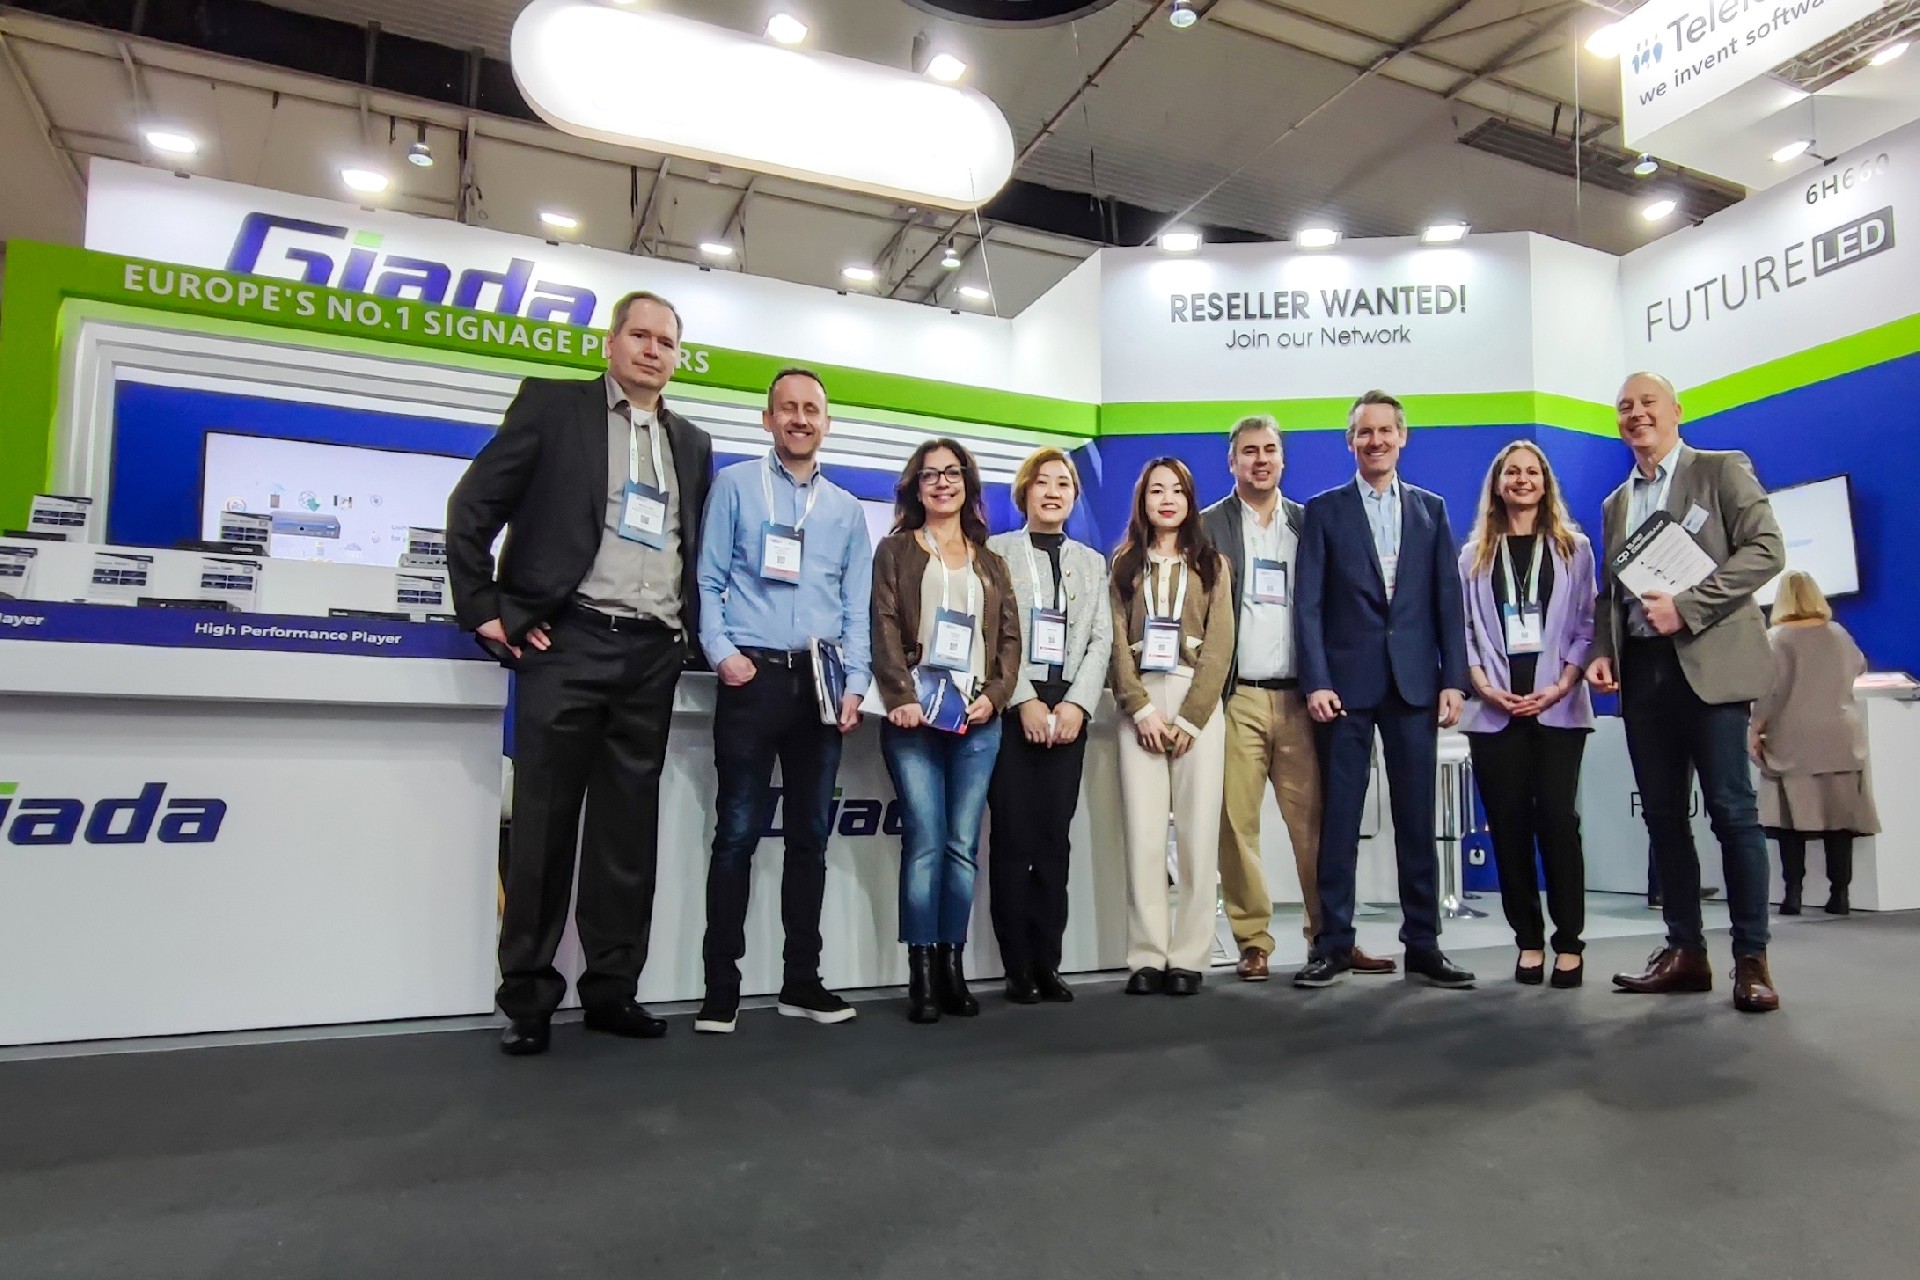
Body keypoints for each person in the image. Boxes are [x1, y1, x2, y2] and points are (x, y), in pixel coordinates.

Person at [447, 290, 713, 1056]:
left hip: (652, 653)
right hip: (566, 642)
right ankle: (528, 999)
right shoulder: (553, 408)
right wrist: (485, 608)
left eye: (666, 341)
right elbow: (472, 507)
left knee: (626, 836)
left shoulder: (691, 443)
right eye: (640, 335)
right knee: (543, 826)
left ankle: (611, 990)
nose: (653, 350)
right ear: (610, 343)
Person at [1587, 372, 1786, 1014]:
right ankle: (1685, 953)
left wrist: (1689, 606)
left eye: (1648, 403)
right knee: (1663, 817)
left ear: (1676, 410)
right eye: (1625, 407)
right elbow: (1611, 592)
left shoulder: (1720, 470)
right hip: (1644, 674)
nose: (1636, 414)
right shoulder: (1617, 503)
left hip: (1711, 668)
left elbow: (1767, 550)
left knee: (1732, 812)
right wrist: (1601, 650)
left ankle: (1751, 960)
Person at [691, 368, 872, 1035]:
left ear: (826, 422)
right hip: (752, 678)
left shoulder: (845, 509)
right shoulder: (736, 485)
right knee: (736, 835)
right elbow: (708, 578)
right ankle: (721, 988)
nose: (800, 418)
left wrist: (857, 682)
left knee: (809, 840)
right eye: (787, 408)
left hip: (820, 686)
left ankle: (803, 981)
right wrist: (722, 653)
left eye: (811, 409)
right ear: (767, 419)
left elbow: (855, 605)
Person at [1201, 416, 1395, 982]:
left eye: (1270, 450)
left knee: (1317, 827)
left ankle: (1328, 936)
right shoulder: (1209, 526)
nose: (1260, 460)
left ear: (1283, 459)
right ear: (1232, 461)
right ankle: (1253, 941)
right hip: (1239, 696)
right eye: (1249, 451)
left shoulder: (1310, 523)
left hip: (1302, 699)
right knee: (1236, 826)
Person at [1293, 390, 1475, 991]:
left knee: (1416, 821)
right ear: (1351, 442)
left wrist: (1454, 680)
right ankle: (1333, 945)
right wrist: (1317, 680)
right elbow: (1308, 606)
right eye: (1364, 432)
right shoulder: (1324, 510)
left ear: (1403, 438)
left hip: (1415, 685)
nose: (1375, 441)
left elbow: (1448, 601)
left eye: (1385, 431)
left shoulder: (1431, 510)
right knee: (1340, 822)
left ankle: (1423, 944)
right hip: (1344, 690)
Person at [871, 439, 1022, 1024]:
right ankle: (922, 973)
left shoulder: (992, 563)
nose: (941, 483)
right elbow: (884, 626)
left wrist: (995, 697)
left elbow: (1008, 641)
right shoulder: (895, 551)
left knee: (961, 847)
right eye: (930, 475)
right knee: (926, 843)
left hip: (976, 721)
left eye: (952, 473)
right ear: (916, 486)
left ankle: (952, 966)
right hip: (915, 719)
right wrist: (901, 698)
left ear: (967, 485)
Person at [1458, 441, 1596, 987]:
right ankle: (1529, 941)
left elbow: (1587, 624)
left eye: (1531, 472)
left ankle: (1570, 943)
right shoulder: (1472, 556)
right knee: (1509, 828)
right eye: (1511, 472)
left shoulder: (1574, 549)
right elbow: (1465, 632)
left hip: (1558, 709)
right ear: (1497, 484)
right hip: (1494, 713)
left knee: (1558, 822)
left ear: (1545, 482)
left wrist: (1562, 683)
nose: (1521, 480)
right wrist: (1483, 686)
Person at [985, 448, 1112, 1005]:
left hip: (1070, 710)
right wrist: (1024, 702)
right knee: (1014, 840)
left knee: (1054, 841)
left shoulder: (1092, 562)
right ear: (1025, 492)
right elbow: (990, 632)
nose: (1053, 492)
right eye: (1043, 482)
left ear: (1074, 496)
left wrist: (1078, 705)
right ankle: (1017, 967)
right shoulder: (996, 552)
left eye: (1064, 483)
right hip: (1016, 704)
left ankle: (1048, 963)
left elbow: (1101, 639)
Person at [1109, 458, 1236, 997]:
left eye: (1177, 491)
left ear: (1189, 500)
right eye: (1156, 491)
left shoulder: (1212, 564)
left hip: (1194, 703)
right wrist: (1139, 708)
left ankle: (1188, 957)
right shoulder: (1122, 564)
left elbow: (1221, 645)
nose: (1167, 500)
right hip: (1139, 705)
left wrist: (1191, 717)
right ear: (1143, 501)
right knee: (1143, 836)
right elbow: (1115, 641)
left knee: (1197, 835)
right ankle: (1147, 956)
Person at [1749, 570, 1878, 917]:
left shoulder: (1776, 639)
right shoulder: (1839, 634)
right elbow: (1859, 666)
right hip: (1839, 738)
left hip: (1792, 739)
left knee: (1790, 823)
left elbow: (1768, 691)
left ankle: (1793, 895)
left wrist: (1755, 729)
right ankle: (1840, 895)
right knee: (1840, 821)